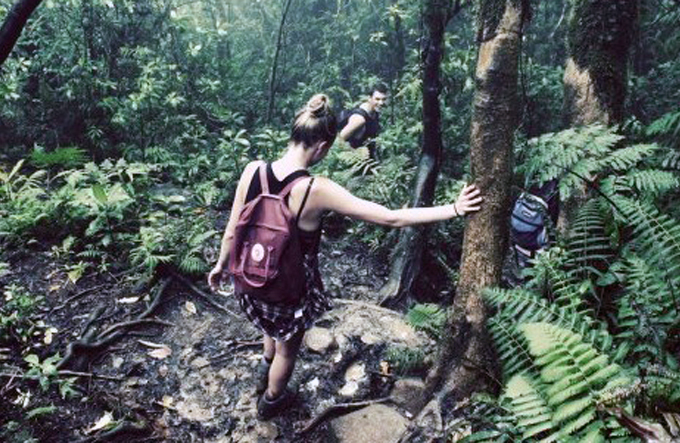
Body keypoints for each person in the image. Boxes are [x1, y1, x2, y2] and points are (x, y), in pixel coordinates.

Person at [207, 94, 483, 419]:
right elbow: (390, 217)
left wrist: (220, 265)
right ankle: (271, 400)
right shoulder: (315, 189)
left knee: (270, 327)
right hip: (288, 293)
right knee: (287, 348)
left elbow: (231, 230)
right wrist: (453, 209)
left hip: (250, 282)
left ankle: (262, 371)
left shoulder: (253, 170)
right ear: (323, 147)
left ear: (293, 133)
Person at [338, 82, 388, 158]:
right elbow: (338, 141)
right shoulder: (359, 119)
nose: (381, 103)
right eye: (377, 99)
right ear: (369, 98)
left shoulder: (374, 113)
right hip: (354, 160)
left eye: (384, 99)